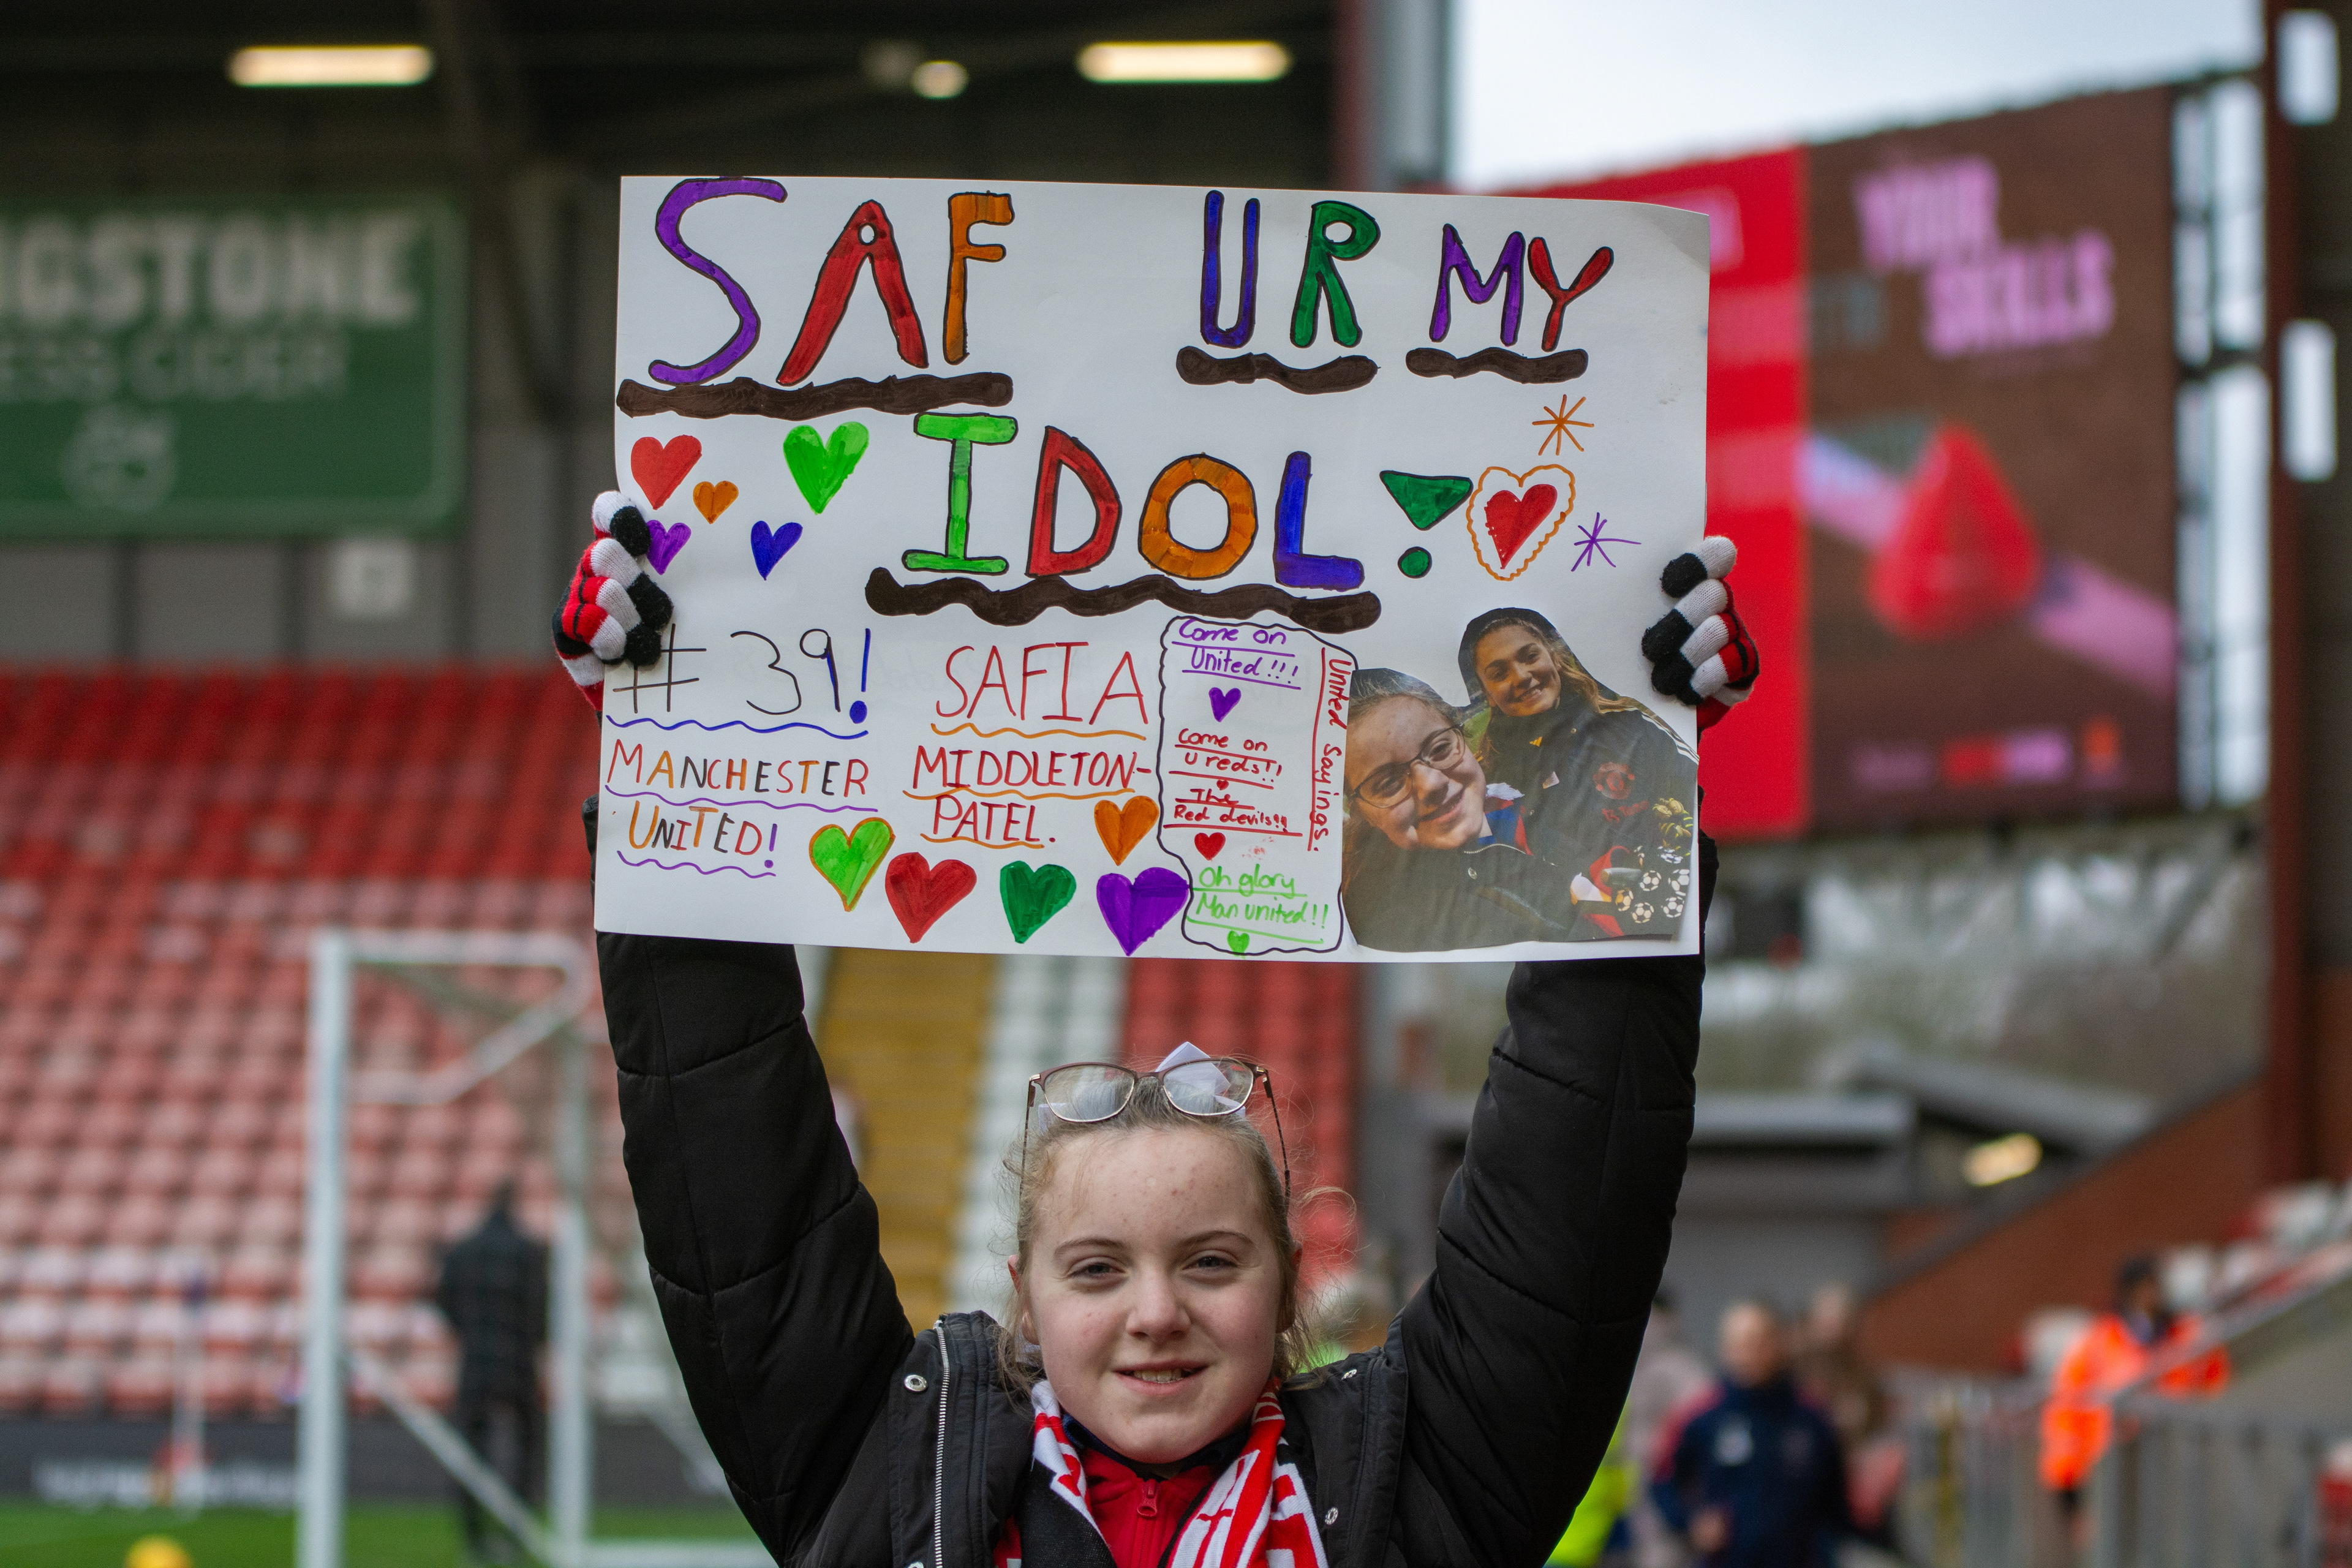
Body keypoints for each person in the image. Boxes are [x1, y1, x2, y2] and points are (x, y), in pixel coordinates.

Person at [557, 497, 1758, 1567]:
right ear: (1025, 1297)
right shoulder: (890, 1478)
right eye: (1096, 1268)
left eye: (1212, 1261)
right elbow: (740, 1180)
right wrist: (671, 739)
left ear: (1286, 1283)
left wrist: (1628, 744)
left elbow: (1570, 1174)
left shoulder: (1420, 1483)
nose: (1154, 1313)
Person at [1340, 669, 1691, 950]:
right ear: (1359, 811)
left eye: (1440, 748)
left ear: (1465, 739)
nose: (1431, 784)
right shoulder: (1396, 922)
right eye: (1388, 783)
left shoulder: (1527, 807)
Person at [1456, 608, 1697, 883]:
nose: (1521, 676)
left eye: (1530, 657)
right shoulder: (1488, 784)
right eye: (1499, 674)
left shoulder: (1631, 727)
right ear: (1487, 693)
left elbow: (1698, 796)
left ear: (1554, 657)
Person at [1651, 1300, 1849, 1568]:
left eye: (1757, 1342)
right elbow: (1660, 1477)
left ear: (1779, 1343)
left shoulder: (1810, 1416)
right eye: (1738, 1344)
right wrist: (1691, 1521)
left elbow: (1836, 1498)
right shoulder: (1701, 1414)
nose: (1747, 1353)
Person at [2038, 1255, 2230, 1528]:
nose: (2149, 1297)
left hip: (2183, 1470)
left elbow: (2217, 1387)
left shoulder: (2185, 1333)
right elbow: (2067, 1414)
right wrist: (2068, 1495)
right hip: (2116, 1473)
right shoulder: (2098, 1342)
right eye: (2141, 1288)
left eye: (2154, 1286)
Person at [434, 1182, 549, 1562]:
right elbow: (545, 1308)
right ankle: (517, 1532)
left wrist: (469, 1334)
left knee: (471, 1450)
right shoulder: (531, 1252)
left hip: (476, 1362)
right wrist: (533, 1340)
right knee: (527, 1448)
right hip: (519, 1362)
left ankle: (474, 1538)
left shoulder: (463, 1250)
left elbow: (444, 1301)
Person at [1793, 1284, 1899, 1547]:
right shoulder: (1793, 1370)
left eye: (1842, 1320)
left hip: (1850, 1485)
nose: (1835, 1328)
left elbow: (1875, 1427)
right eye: (1828, 1319)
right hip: (1804, 1484)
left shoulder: (1863, 1375)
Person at [1626, 1291, 1716, 1568]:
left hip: (1670, 1495)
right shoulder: (1634, 1366)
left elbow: (1703, 1431)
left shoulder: (1680, 1368)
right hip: (1638, 1496)